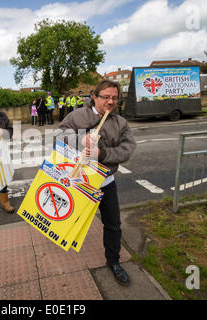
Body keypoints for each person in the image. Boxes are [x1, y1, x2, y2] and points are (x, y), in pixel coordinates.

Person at [57, 79, 136, 286]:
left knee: (113, 224)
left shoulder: (120, 123)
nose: (110, 101)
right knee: (69, 216)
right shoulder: (77, 116)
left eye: (114, 98)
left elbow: (127, 149)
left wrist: (103, 153)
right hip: (80, 180)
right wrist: (78, 140)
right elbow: (59, 136)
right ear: (95, 97)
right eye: (106, 97)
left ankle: (114, 261)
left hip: (106, 181)